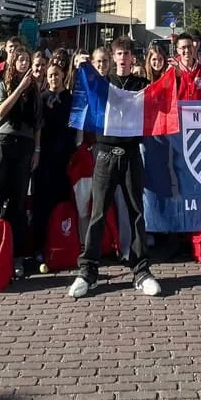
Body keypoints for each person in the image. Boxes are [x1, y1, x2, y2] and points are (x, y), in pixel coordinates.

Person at [67, 36, 161, 299]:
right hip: (105, 154)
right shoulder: (102, 84)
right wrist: (79, 67)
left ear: (133, 59)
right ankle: (88, 271)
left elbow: (158, 109)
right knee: (98, 213)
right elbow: (80, 93)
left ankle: (141, 271)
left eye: (127, 54)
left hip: (131, 154)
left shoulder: (142, 86)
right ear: (112, 57)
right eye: (118, 54)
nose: (122, 58)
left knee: (136, 213)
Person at [0, 46, 43, 279]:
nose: (23, 63)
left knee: (19, 201)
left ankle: (17, 255)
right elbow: (0, 111)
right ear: (13, 63)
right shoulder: (3, 85)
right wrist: (19, 88)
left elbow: (38, 124)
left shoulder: (35, 92)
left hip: (24, 145)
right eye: (20, 59)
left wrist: (37, 150)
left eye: (26, 59)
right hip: (2, 142)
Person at [33, 61, 76, 270]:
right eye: (50, 75)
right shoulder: (41, 99)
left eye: (56, 75)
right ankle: (39, 247)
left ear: (62, 76)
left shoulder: (70, 99)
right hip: (45, 158)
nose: (53, 78)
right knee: (42, 204)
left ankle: (60, 244)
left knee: (61, 203)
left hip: (64, 158)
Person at [173, 33, 201, 100]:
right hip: (179, 110)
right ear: (178, 50)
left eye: (189, 47)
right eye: (183, 47)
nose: (187, 50)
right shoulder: (172, 67)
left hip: (200, 110)